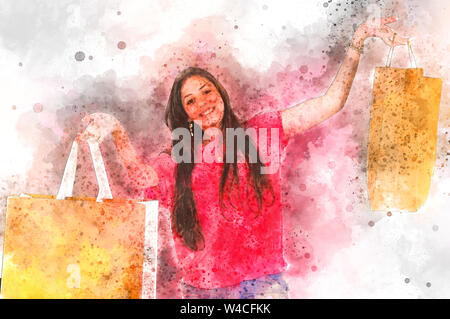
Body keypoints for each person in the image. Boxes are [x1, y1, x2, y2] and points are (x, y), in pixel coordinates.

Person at [78, 17, 407, 298]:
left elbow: (330, 102)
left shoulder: (261, 133)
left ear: (220, 92)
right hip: (201, 291)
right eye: (190, 101)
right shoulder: (179, 158)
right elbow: (140, 176)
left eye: (207, 91)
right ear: (184, 115)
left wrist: (357, 43)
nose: (203, 102)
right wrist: (116, 130)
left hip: (262, 287)